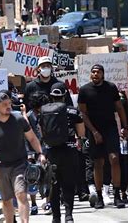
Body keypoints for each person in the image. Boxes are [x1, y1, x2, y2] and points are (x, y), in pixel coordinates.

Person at [0, 92, 46, 223]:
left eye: (9, 104)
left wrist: (40, 153)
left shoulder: (19, 120)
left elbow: (32, 138)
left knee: (21, 195)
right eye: (4, 105)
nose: (8, 107)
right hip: (1, 167)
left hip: (20, 164)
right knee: (6, 200)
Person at [78, 64, 128, 209]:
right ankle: (100, 196)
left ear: (103, 74)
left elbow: (119, 107)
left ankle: (117, 194)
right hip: (93, 130)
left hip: (110, 128)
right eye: (93, 72)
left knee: (114, 158)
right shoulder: (84, 90)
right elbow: (83, 114)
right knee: (98, 163)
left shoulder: (111, 87)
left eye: (98, 72)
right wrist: (94, 132)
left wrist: (125, 127)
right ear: (90, 74)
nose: (95, 74)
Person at [46, 82, 85, 223]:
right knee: (68, 185)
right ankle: (69, 216)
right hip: (69, 151)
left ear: (51, 95)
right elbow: (81, 132)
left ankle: (56, 217)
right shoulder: (73, 111)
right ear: (64, 95)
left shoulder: (44, 111)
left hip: (51, 153)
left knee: (54, 186)